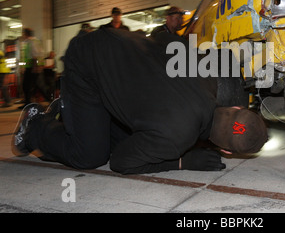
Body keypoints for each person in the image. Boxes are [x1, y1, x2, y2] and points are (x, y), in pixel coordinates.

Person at [11, 28, 268, 174]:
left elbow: (165, 38)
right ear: (226, 151)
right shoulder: (175, 138)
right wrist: (180, 162)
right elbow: (122, 163)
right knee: (90, 156)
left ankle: (70, 114)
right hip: (86, 65)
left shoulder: (206, 79)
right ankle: (35, 126)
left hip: (116, 41)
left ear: (234, 107)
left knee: (130, 138)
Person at [19, 28, 50, 109]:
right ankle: (28, 103)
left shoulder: (32, 42)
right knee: (30, 86)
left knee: (33, 85)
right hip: (31, 67)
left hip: (33, 67)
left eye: (23, 33)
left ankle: (49, 100)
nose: (22, 35)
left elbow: (35, 55)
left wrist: (35, 67)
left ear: (26, 34)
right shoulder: (29, 42)